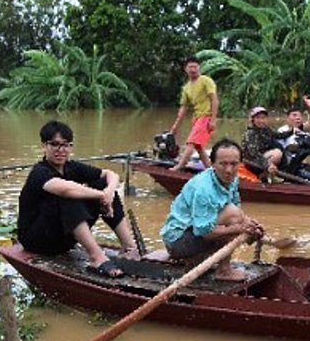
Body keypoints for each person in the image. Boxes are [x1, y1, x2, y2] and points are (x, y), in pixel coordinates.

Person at [16, 121, 139, 277]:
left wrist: (108, 192)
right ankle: (97, 258)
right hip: (37, 240)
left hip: (63, 238)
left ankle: (129, 248)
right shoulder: (39, 172)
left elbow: (111, 175)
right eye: (55, 144)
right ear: (44, 146)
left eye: (65, 145)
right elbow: (65, 189)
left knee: (101, 184)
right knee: (68, 195)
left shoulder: (71, 167)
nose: (61, 150)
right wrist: (101, 195)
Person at [160, 138, 264, 281]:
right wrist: (239, 228)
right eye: (223, 164)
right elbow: (204, 232)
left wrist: (251, 226)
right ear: (213, 163)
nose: (229, 170)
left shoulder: (233, 180)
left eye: (234, 164)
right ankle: (224, 271)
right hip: (178, 242)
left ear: (240, 164)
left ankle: (198, 259)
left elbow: (238, 212)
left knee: (238, 219)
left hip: (195, 232)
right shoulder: (203, 188)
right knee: (233, 218)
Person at [167, 56, 219, 172]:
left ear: (199, 67)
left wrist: (213, 119)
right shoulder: (186, 88)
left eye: (195, 67)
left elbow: (214, 99)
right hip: (196, 118)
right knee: (199, 147)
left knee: (191, 142)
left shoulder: (205, 80)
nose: (193, 69)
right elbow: (183, 108)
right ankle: (210, 170)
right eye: (190, 67)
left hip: (206, 116)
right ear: (185, 69)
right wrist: (175, 127)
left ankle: (180, 165)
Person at [241, 106, 286, 176]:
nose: (261, 121)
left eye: (263, 118)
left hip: (262, 158)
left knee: (279, 147)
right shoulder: (250, 133)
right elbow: (254, 154)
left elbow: (278, 135)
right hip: (251, 162)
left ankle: (268, 174)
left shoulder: (266, 129)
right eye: (258, 118)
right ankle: (263, 174)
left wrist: (292, 131)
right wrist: (268, 164)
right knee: (277, 154)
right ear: (253, 119)